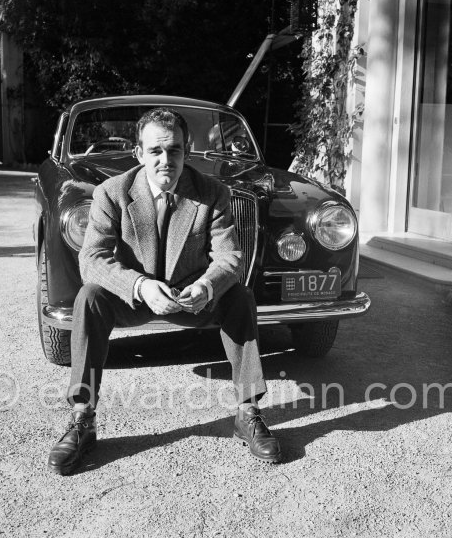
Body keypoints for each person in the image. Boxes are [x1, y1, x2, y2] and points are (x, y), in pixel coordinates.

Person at [47, 107, 282, 475]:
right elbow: (91, 258)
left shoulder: (211, 193)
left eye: (173, 150)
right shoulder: (112, 192)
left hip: (193, 297)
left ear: (186, 152)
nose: (165, 160)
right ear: (139, 153)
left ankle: (248, 412)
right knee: (89, 297)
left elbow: (230, 257)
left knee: (239, 297)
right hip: (135, 297)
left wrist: (207, 286)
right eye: (155, 151)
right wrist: (138, 285)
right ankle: (82, 418)